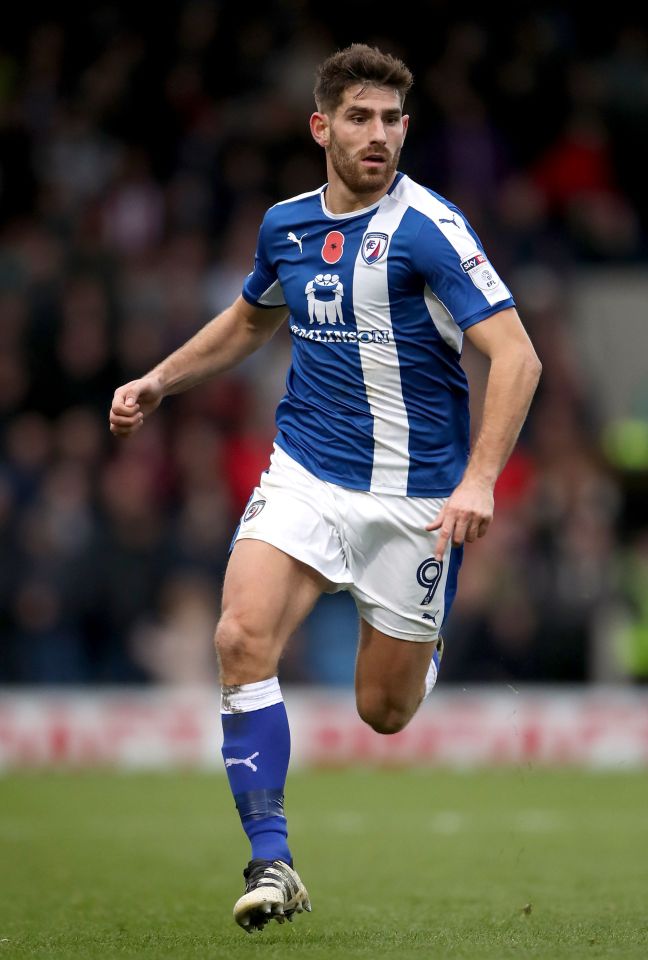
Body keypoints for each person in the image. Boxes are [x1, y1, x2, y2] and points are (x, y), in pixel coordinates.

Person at [109, 44, 541, 932]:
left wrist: (480, 482)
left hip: (417, 503)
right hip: (306, 469)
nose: (378, 134)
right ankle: (273, 861)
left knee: (382, 712)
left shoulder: (432, 229)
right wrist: (159, 380)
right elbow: (250, 319)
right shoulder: (286, 227)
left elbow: (518, 355)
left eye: (391, 120)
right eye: (359, 118)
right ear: (322, 128)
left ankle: (418, 654)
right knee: (239, 636)